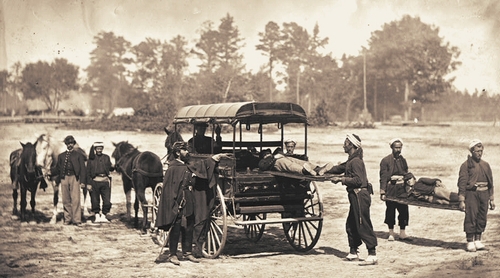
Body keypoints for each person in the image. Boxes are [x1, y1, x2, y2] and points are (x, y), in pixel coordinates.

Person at [155, 141, 231, 265]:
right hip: (177, 201)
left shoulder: (187, 165)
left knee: (189, 225)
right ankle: (173, 254)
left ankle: (187, 252)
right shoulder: (172, 168)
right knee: (176, 226)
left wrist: (214, 159)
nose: (187, 152)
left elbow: (201, 167)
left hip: (189, 199)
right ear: (178, 153)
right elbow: (168, 190)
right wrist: (173, 204)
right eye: (185, 150)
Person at [328, 134, 378, 265]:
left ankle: (372, 254)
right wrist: (324, 171)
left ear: (351, 145)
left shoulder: (356, 162)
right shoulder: (351, 159)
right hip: (355, 195)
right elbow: (339, 168)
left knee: (363, 223)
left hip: (359, 195)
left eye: (345, 143)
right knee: (351, 224)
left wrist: (341, 179)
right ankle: (353, 251)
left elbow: (358, 180)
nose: (343, 145)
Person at [458, 139, 495, 252]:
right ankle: (470, 241)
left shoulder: (485, 165)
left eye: (481, 150)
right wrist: (461, 200)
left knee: (482, 216)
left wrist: (491, 199)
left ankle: (478, 240)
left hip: (484, 194)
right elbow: (462, 183)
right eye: (477, 151)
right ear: (472, 152)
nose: (480, 153)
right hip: (472, 194)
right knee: (471, 217)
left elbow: (490, 182)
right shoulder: (466, 165)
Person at [379, 138, 411, 241]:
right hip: (391, 188)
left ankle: (402, 232)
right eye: (396, 147)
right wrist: (383, 191)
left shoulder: (403, 160)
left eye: (400, 147)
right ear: (391, 147)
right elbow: (383, 177)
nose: (398, 149)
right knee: (390, 210)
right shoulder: (385, 161)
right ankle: (391, 233)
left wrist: (409, 180)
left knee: (404, 210)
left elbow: (406, 172)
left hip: (401, 189)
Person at [51, 135, 87, 226]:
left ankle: (77, 220)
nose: (70, 145)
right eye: (68, 143)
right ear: (66, 144)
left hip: (75, 178)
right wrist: (49, 172)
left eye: (71, 143)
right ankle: (67, 219)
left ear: (73, 144)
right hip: (64, 178)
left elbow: (83, 169)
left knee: (76, 199)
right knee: (66, 199)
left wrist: (82, 182)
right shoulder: (61, 156)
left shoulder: (78, 155)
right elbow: (58, 169)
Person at [86, 142, 114, 223]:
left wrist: (113, 166)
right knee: (95, 200)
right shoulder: (91, 159)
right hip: (94, 181)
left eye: (100, 148)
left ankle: (104, 215)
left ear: (102, 149)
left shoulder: (106, 157)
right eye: (97, 148)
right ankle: (97, 215)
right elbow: (87, 172)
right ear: (95, 149)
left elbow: (110, 168)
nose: (99, 150)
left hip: (105, 181)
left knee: (107, 201)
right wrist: (88, 184)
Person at [258, 148, 333, 176]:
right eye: (266, 154)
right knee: (286, 163)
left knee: (297, 161)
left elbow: (295, 157)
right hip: (276, 164)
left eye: (269, 153)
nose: (268, 154)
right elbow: (262, 166)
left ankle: (318, 169)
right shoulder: (262, 161)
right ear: (264, 156)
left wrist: (303, 157)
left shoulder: (278, 155)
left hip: (283, 158)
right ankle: (304, 171)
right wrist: (273, 157)